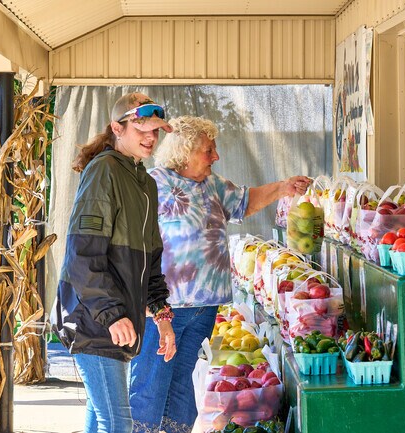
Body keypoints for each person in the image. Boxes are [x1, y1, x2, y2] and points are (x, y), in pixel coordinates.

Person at [129, 116, 311, 433]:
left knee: (183, 390)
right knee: (149, 389)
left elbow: (244, 201)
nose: (216, 156)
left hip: (204, 308)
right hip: (165, 310)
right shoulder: (154, 185)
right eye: (208, 149)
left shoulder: (212, 185)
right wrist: (152, 307)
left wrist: (284, 187)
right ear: (185, 152)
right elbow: (134, 247)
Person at [51, 92, 177, 433]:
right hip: (94, 319)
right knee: (117, 423)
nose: (151, 138)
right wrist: (113, 313)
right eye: (142, 129)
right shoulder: (103, 171)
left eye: (155, 131)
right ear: (116, 129)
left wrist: (162, 316)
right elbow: (82, 256)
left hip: (118, 321)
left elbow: (151, 261)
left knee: (102, 417)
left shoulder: (145, 184)